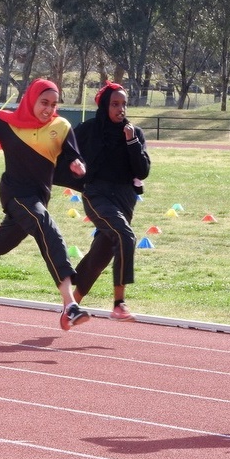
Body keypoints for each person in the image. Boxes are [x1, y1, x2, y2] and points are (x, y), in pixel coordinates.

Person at [0, 78, 89, 331]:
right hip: (15, 193)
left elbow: (73, 155)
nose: (48, 109)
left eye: (53, 105)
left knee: (4, 241)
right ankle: (70, 304)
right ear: (31, 100)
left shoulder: (62, 126)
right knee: (47, 228)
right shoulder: (7, 124)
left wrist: (78, 165)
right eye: (44, 103)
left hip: (38, 197)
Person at [71, 81, 151, 321]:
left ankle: (70, 305)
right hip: (97, 195)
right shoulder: (89, 130)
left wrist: (131, 142)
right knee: (126, 236)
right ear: (105, 105)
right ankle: (119, 303)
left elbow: (143, 170)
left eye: (124, 104)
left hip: (125, 200)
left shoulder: (134, 134)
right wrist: (73, 164)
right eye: (115, 104)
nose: (121, 109)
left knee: (101, 255)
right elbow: (63, 148)